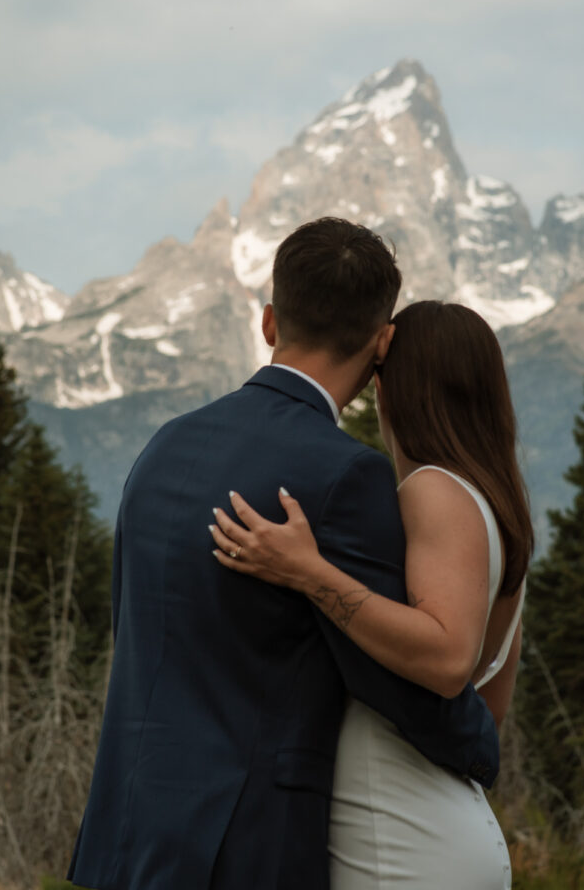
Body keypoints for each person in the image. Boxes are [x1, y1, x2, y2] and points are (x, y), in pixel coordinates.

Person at [67, 220, 498, 890]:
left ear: (269, 321)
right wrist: (481, 745)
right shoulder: (346, 477)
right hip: (243, 845)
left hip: (126, 833)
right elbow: (398, 681)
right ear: (382, 343)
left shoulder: (162, 448)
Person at [210, 299, 532, 889]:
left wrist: (309, 572)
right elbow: (486, 713)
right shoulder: (497, 513)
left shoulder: (432, 490)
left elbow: (445, 659)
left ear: (395, 387)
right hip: (447, 829)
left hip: (400, 842)